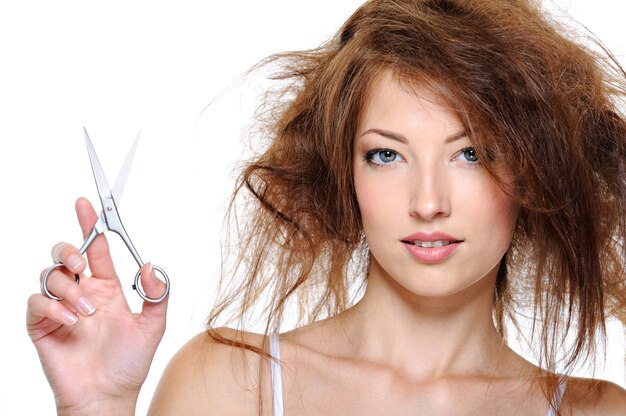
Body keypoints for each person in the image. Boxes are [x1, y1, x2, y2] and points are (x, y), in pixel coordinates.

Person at [27, 0, 625, 414]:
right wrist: (99, 407)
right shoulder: (227, 388)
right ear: (343, 173)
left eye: (470, 153)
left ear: (534, 171)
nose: (427, 202)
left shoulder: (597, 411)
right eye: (386, 156)